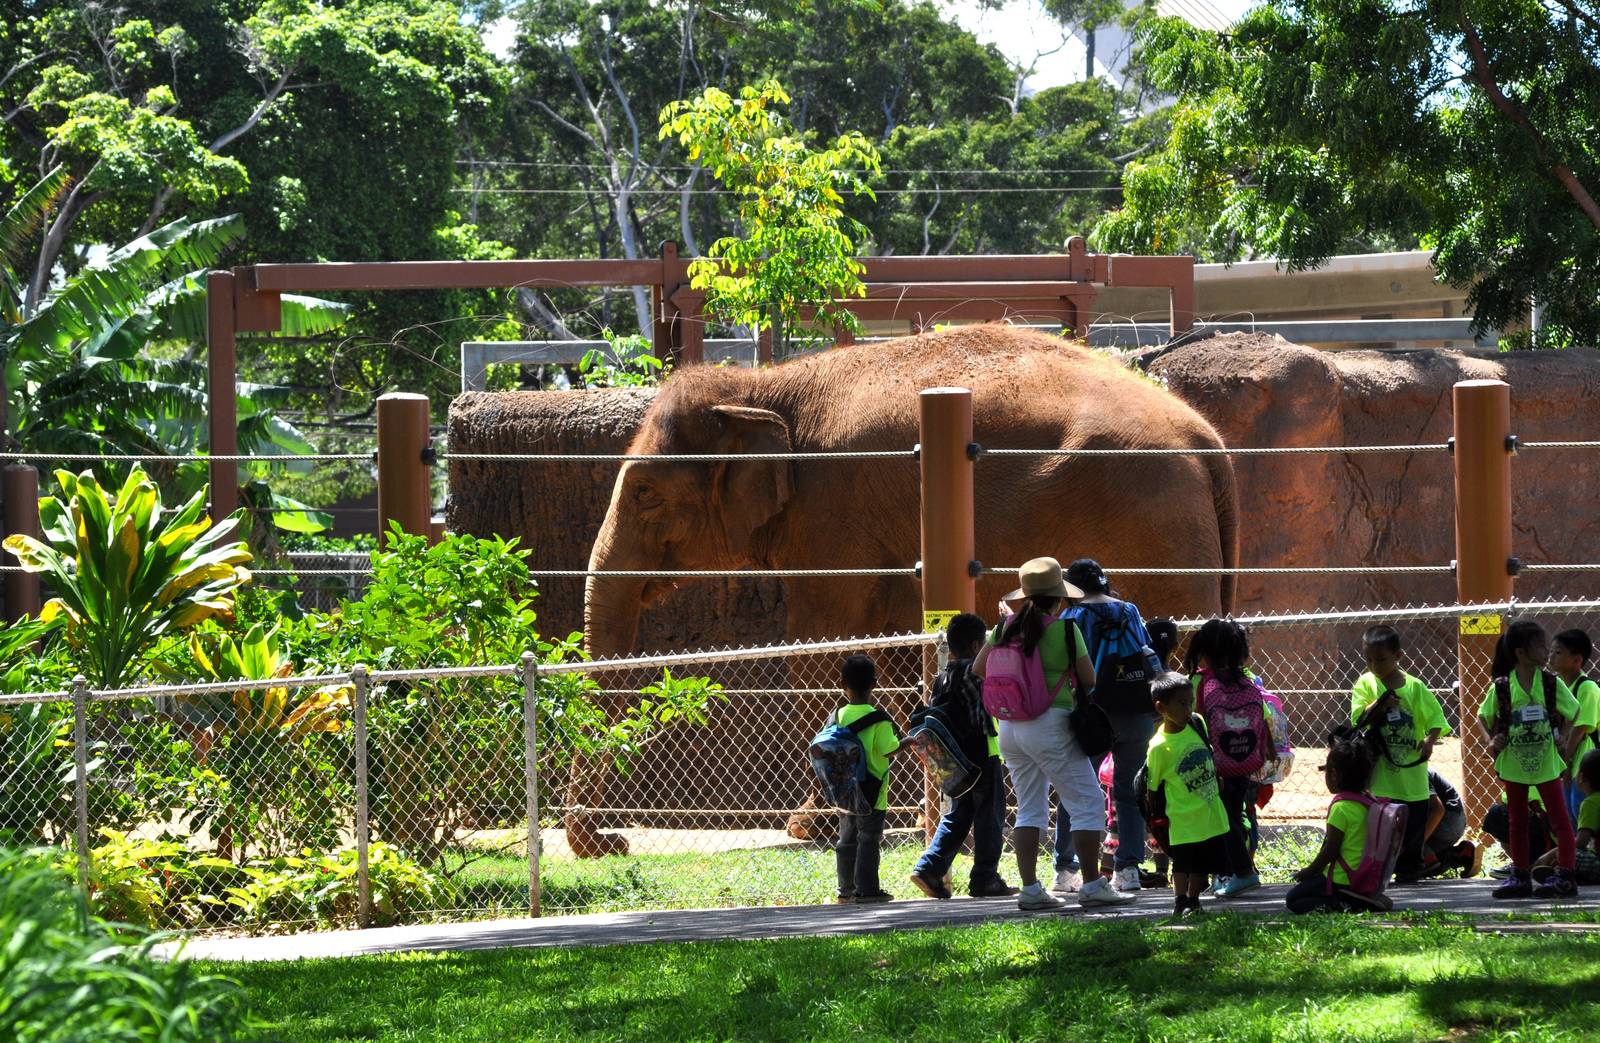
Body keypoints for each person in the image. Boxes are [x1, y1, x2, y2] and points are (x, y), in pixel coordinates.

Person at [974, 557, 1135, 910]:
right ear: (1059, 598)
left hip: (1010, 729)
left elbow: (978, 667)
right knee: (1087, 802)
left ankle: (1030, 889)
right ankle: (1093, 884)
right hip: (1051, 724)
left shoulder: (1004, 628)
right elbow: (1089, 678)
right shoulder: (1064, 630)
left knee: (1029, 807)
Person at [1051, 559, 1160, 895]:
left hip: (1091, 715)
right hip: (1136, 712)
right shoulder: (1129, 610)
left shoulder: (1072, 617)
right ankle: (1128, 868)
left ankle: (1066, 869)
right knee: (1130, 791)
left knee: (1076, 791)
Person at [909, 613, 1017, 900]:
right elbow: (988, 712)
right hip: (981, 754)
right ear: (974, 645)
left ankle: (929, 867)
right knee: (990, 817)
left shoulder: (940, 678)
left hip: (953, 761)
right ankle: (985, 878)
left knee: (957, 815)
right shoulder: (976, 673)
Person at [1477, 620, 1581, 899]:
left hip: (1546, 764)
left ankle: (1565, 877)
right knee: (1517, 821)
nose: (1547, 650)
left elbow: (1573, 711)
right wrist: (1491, 740)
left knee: (1560, 821)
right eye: (1540, 645)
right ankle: (1521, 876)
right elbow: (1481, 717)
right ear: (1521, 653)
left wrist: (1563, 734)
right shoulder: (1501, 688)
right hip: (1514, 764)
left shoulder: (1550, 683)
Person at [1349, 625, 1448, 883]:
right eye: (1369, 659)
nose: (1375, 665)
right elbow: (1357, 719)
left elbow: (1436, 717)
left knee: (1414, 823)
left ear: (1398, 656)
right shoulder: (1365, 684)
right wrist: (1379, 705)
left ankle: (1410, 870)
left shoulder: (1414, 687)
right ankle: (1378, 870)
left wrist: (1429, 740)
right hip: (1380, 776)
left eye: (1381, 659)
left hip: (1412, 776)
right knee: (1380, 825)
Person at [1187, 618, 1271, 898]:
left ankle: (1243, 873)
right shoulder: (1246, 680)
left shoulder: (1201, 682)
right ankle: (1231, 873)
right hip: (1244, 761)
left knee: (1225, 820)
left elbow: (1195, 723)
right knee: (1235, 814)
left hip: (1216, 767)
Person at [1145, 672, 1230, 917]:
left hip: (1209, 811)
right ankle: (1180, 900)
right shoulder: (1159, 746)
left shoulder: (1196, 723)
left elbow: (1207, 752)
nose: (1188, 708)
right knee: (1183, 862)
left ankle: (1194, 900)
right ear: (1161, 707)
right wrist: (1157, 817)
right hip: (1181, 816)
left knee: (1202, 862)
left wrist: (1216, 779)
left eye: (1190, 702)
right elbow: (1153, 787)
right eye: (1181, 704)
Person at [832, 653, 903, 904]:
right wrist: (907, 742)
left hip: (844, 789)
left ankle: (846, 890)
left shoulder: (837, 716)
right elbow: (889, 749)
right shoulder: (881, 719)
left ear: (843, 685)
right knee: (869, 838)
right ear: (874, 684)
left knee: (846, 838)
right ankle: (868, 889)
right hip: (873, 790)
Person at [1286, 730, 1379, 914]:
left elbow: (1331, 850)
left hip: (1342, 878)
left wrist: (1309, 871)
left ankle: (1343, 904)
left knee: (1294, 900)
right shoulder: (1369, 801)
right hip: (1365, 874)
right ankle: (1354, 898)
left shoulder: (1341, 808)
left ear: (1335, 774)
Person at [1552, 629, 1600, 824]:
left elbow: (1579, 730)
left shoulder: (1586, 688)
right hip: (1570, 768)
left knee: (1581, 818)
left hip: (1583, 768)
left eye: (1558, 652)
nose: (1551, 657)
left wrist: (1564, 762)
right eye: (1552, 651)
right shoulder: (1562, 688)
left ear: (1576, 660)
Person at [1537, 748, 1600, 885]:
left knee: (1566, 853)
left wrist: (1551, 853)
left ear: (1581, 778)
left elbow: (1581, 841)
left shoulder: (1591, 802)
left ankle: (1561, 873)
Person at [1420, 770, 1478, 878]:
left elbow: (1438, 810)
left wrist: (1417, 845)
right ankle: (1460, 854)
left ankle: (1425, 858)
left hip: (1447, 820)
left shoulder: (1413, 772)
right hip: (1454, 822)